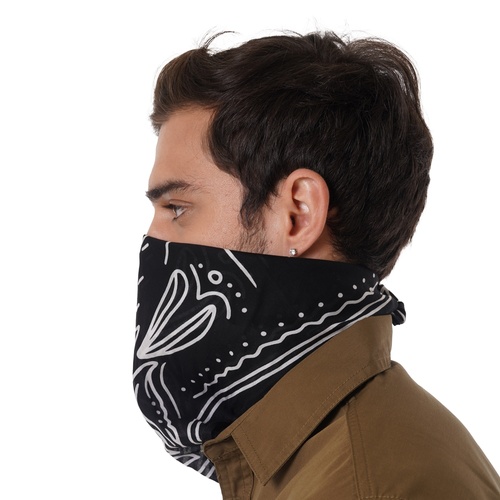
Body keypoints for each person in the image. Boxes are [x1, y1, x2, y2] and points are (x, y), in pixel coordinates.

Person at [132, 31, 500, 499]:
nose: (153, 242)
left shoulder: (369, 484)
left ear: (298, 215)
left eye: (178, 208)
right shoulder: (311, 457)